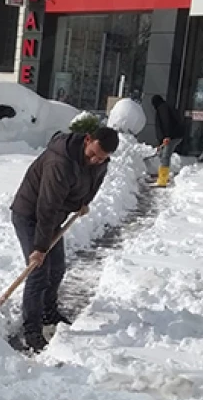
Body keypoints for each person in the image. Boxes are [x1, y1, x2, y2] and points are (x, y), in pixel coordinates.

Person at [9, 126, 120, 352]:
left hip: (53, 216)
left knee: (57, 267)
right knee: (38, 270)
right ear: (87, 139)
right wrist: (39, 248)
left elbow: (93, 184)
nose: (95, 161)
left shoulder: (100, 162)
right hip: (30, 215)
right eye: (93, 155)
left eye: (102, 158)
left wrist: (82, 203)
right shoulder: (60, 162)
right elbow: (46, 207)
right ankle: (31, 329)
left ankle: (49, 313)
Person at [150, 95, 184, 186]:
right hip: (171, 136)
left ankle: (163, 180)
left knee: (165, 156)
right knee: (162, 155)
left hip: (172, 136)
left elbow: (166, 122)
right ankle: (162, 176)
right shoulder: (164, 107)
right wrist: (160, 143)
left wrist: (167, 136)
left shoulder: (163, 108)